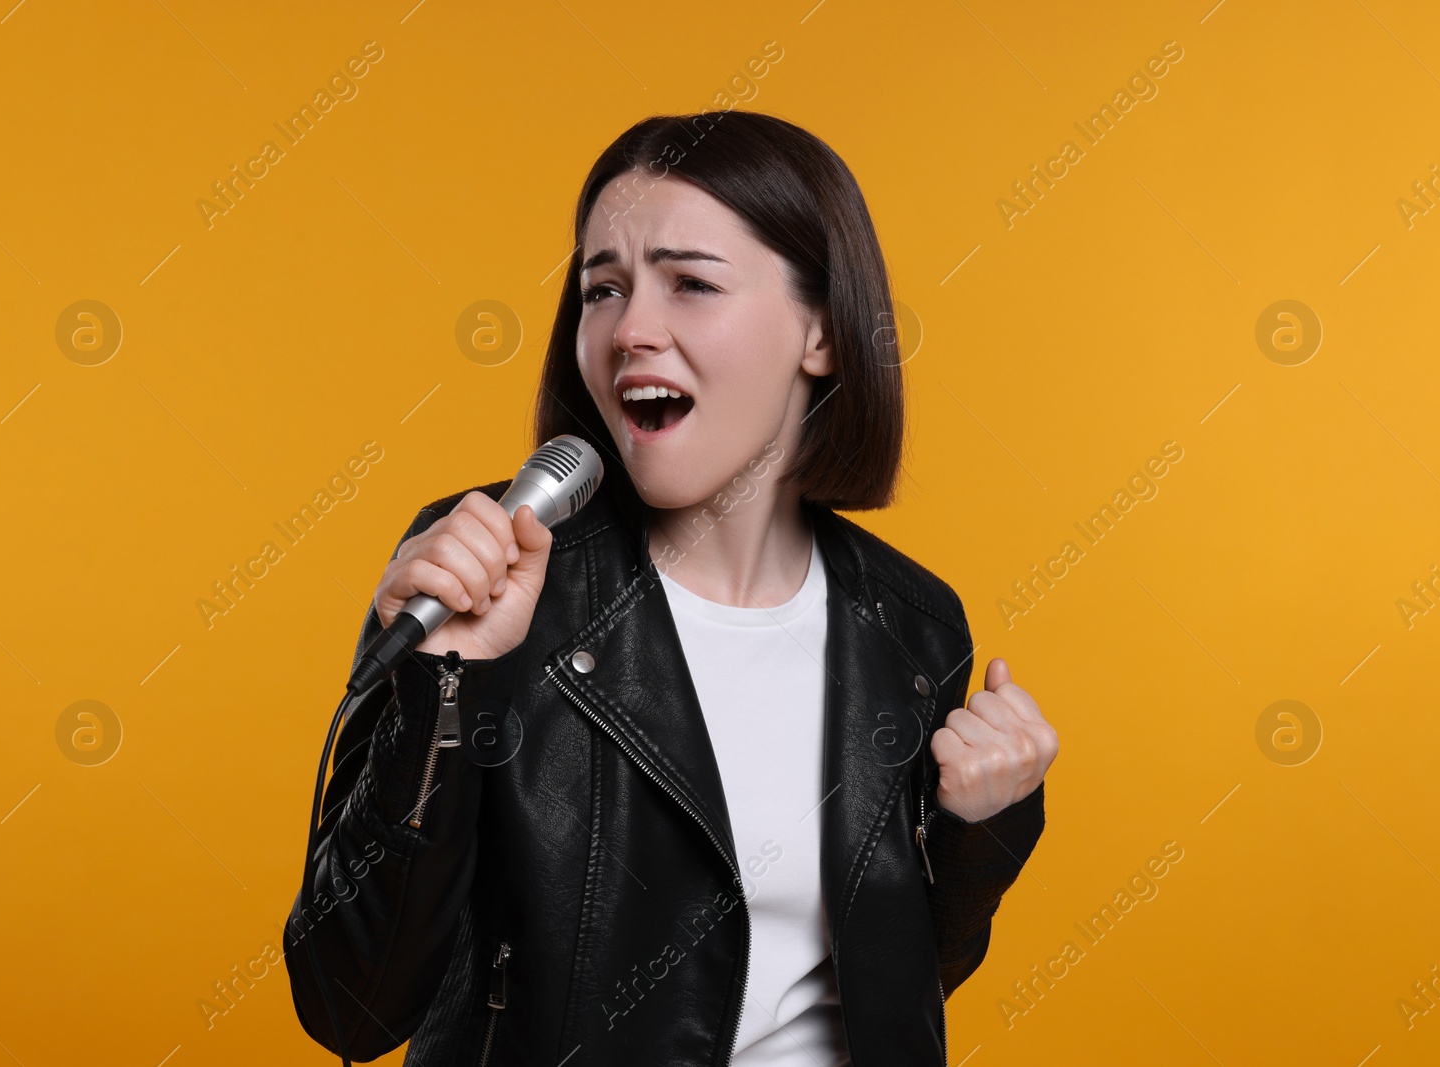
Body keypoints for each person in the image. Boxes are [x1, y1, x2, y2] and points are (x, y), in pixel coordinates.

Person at [285, 110, 1058, 1067]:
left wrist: (987, 824)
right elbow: (351, 1006)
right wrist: (443, 688)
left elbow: (900, 981)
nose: (628, 330)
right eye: (601, 288)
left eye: (691, 283)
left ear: (820, 330)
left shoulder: (911, 623)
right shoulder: (488, 572)